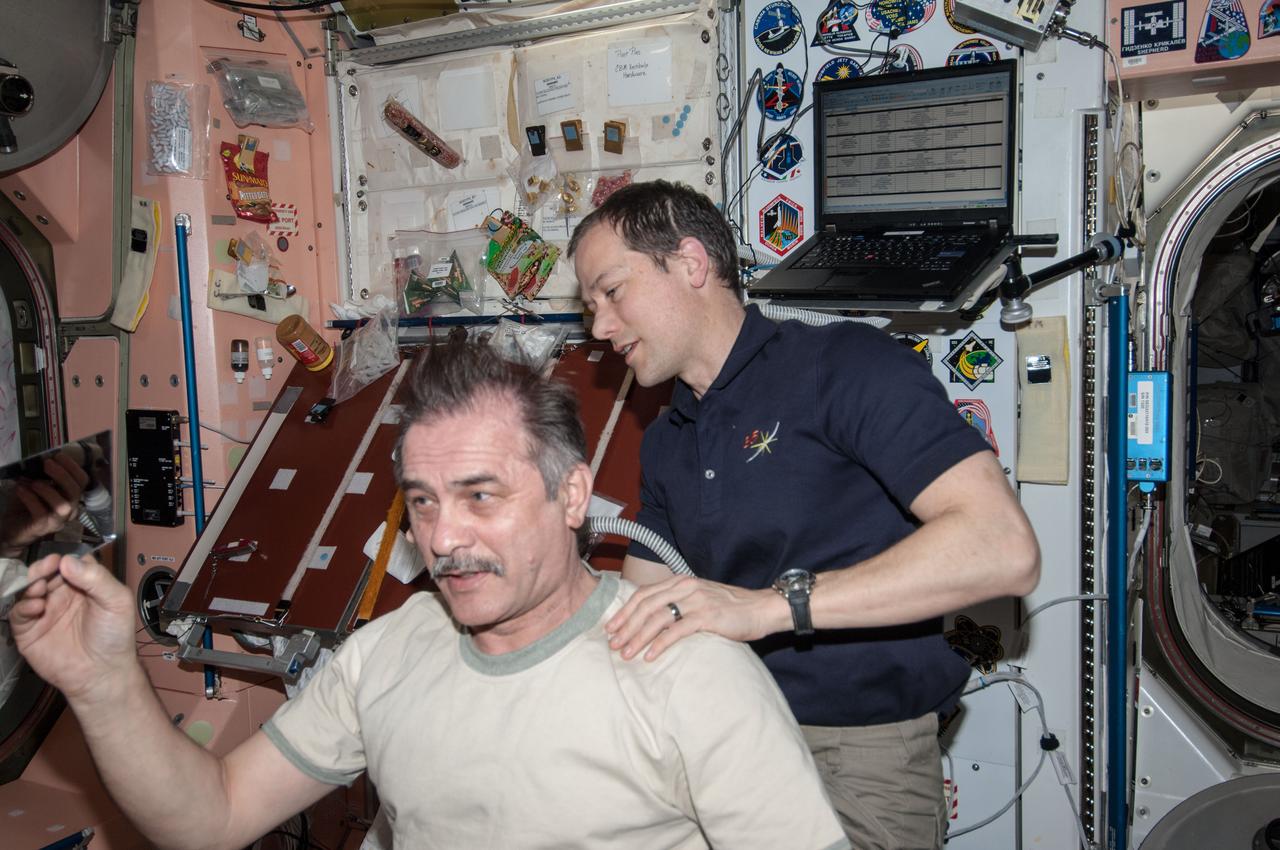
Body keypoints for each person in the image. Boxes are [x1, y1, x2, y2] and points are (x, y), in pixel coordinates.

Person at [11, 340, 849, 850]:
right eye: (422, 501)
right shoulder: (384, 654)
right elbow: (213, 818)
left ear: (571, 497)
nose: (443, 538)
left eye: (482, 496)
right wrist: (105, 683)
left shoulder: (690, 673)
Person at [568, 180, 1041, 849]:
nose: (601, 327)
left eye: (612, 292)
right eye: (590, 307)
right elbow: (637, 608)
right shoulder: (671, 436)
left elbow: (1002, 547)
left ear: (691, 263)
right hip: (723, 743)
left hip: (856, 760)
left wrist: (767, 607)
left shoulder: (845, 365)